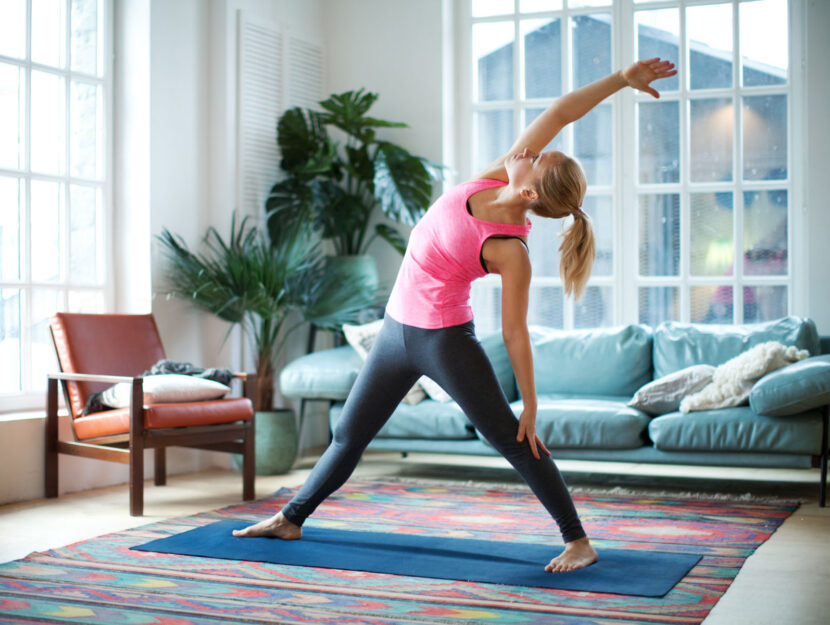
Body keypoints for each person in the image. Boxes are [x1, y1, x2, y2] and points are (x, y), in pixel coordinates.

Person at [234, 57, 677, 573]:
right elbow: (560, 112)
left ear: (531, 192)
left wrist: (531, 403)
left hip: (443, 341)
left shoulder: (511, 249)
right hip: (396, 330)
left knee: (513, 438)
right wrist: (621, 80)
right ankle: (291, 517)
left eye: (539, 158)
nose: (532, 150)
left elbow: (514, 332)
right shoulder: (497, 174)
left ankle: (577, 540)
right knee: (349, 435)